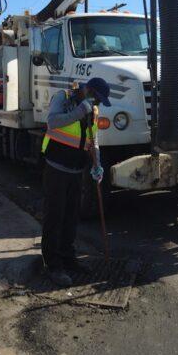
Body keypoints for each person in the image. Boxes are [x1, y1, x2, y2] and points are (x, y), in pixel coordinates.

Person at [41, 77, 111, 287]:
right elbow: (52, 122)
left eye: (99, 102)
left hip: (76, 169)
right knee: (55, 216)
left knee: (71, 217)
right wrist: (79, 111)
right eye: (96, 99)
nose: (97, 104)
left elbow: (93, 141)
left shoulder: (94, 111)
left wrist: (96, 165)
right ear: (87, 90)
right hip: (56, 167)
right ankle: (53, 265)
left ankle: (68, 259)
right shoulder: (63, 98)